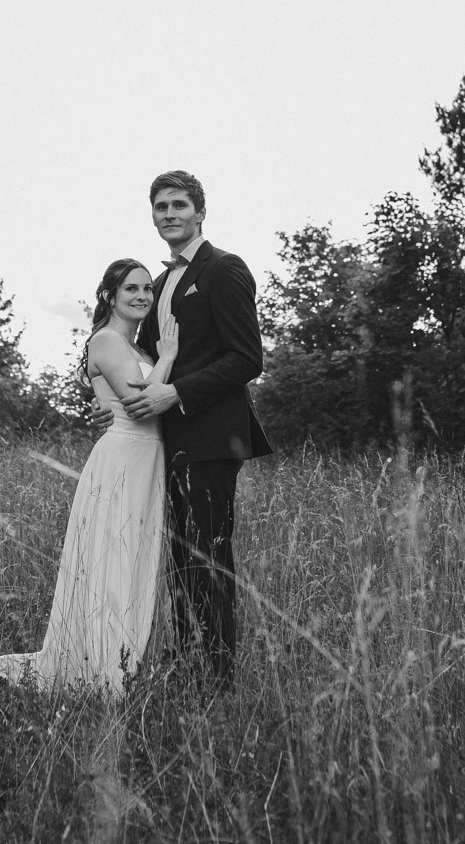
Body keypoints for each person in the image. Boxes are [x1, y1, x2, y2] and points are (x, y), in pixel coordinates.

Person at [0, 259, 179, 694]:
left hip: (149, 459)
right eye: (131, 288)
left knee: (133, 560)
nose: (142, 296)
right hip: (122, 459)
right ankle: (102, 669)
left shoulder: (139, 349)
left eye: (148, 288)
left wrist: (158, 359)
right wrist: (168, 358)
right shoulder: (107, 340)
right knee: (113, 559)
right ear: (109, 295)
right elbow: (139, 403)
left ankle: (122, 661)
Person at [120, 170, 273, 687]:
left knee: (208, 558)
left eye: (179, 205)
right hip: (166, 441)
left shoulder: (225, 269)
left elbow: (246, 358)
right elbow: (149, 361)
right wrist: (112, 400)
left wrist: (178, 393)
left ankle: (218, 679)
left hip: (211, 438)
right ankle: (188, 668)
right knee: (180, 560)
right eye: (161, 206)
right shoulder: (160, 283)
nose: (169, 214)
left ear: (200, 212)